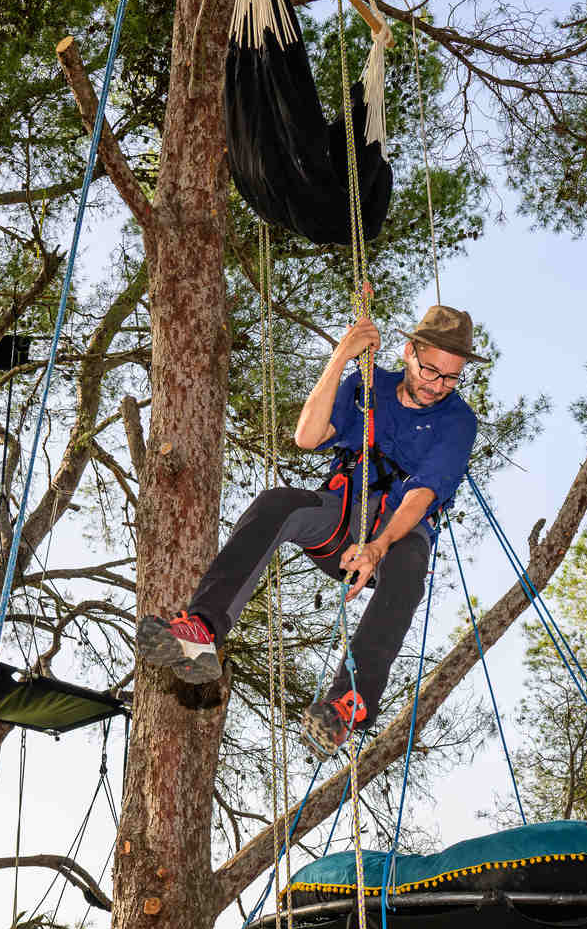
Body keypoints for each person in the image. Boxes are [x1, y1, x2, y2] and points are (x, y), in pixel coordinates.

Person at [137, 303, 486, 753]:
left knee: (410, 565)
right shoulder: (367, 384)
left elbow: (420, 496)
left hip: (395, 533)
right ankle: (202, 633)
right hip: (341, 518)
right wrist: (341, 356)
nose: (437, 386)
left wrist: (379, 546)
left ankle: (347, 701)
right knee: (278, 504)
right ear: (408, 351)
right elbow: (307, 436)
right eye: (430, 370)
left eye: (450, 377)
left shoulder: (457, 421)